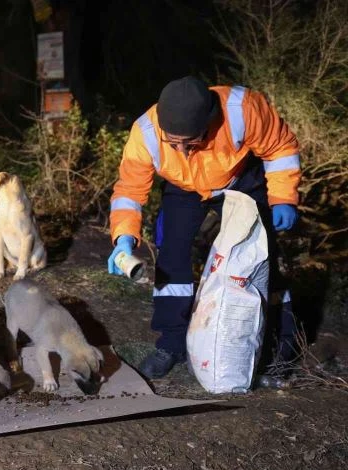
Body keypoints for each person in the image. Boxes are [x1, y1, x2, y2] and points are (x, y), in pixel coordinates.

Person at [108, 76, 300, 380]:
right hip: (184, 189)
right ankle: (172, 343)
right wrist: (123, 236)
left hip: (241, 180)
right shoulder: (145, 132)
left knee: (261, 259)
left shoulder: (241, 108)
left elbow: (280, 149)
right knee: (171, 256)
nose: (183, 149)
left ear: (209, 122)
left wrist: (283, 198)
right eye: (174, 143)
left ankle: (280, 347)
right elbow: (129, 190)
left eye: (191, 142)